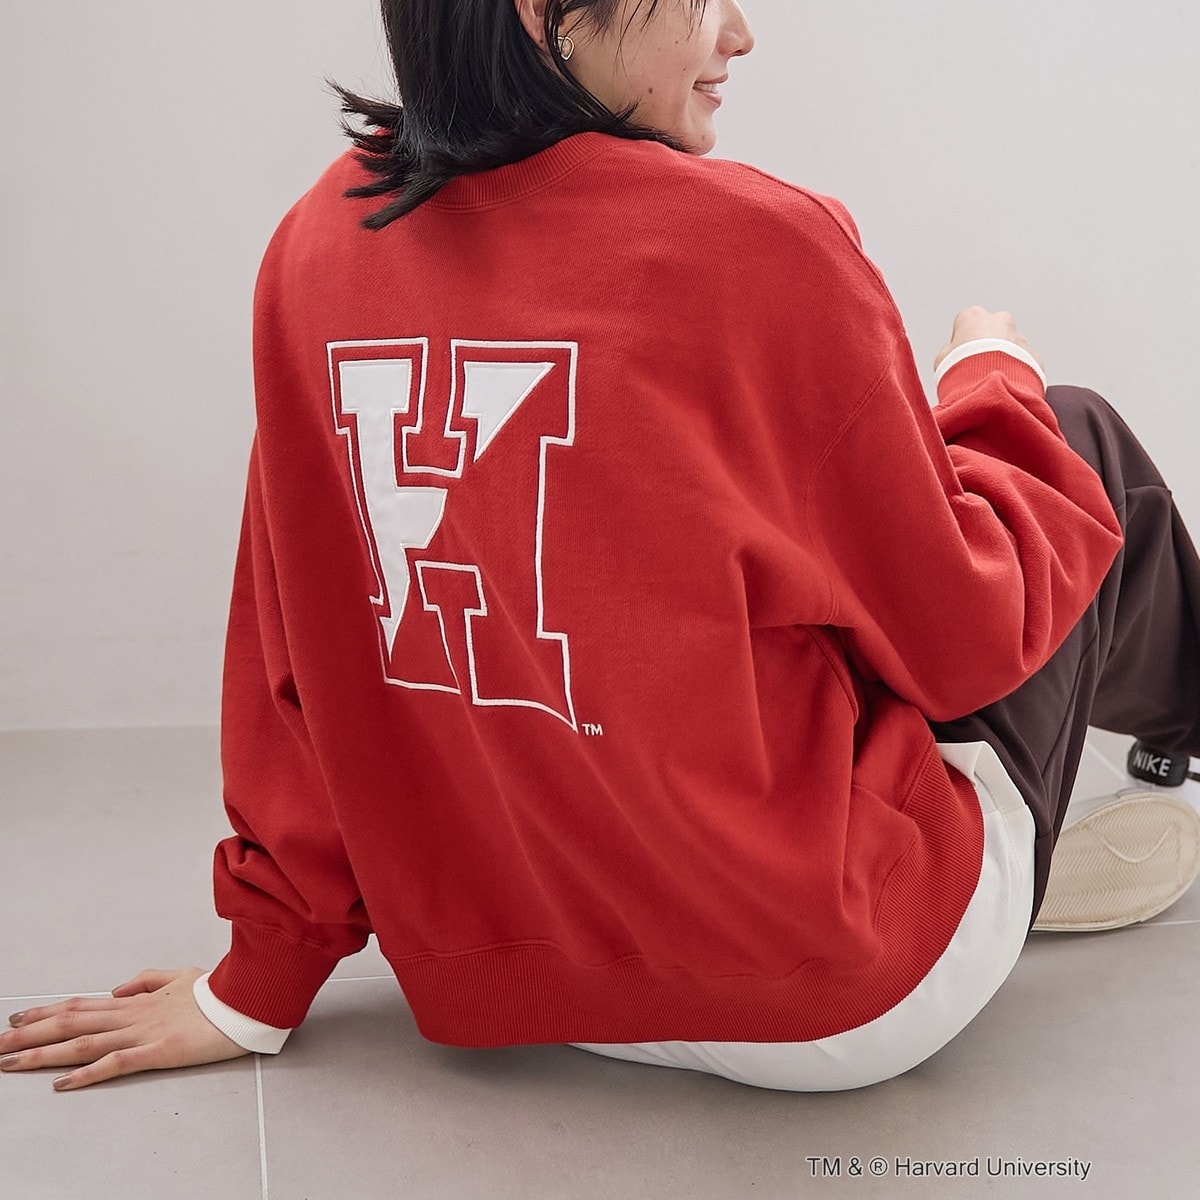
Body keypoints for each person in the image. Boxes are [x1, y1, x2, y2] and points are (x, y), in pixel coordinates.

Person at [4, 0, 1199, 1094]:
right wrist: (992, 381)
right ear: (547, 12)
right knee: (1067, 439)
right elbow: (968, 641)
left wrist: (258, 981)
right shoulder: (762, 242)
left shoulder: (319, 242)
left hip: (521, 987)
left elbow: (299, 650)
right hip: (834, 987)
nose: (740, 33)